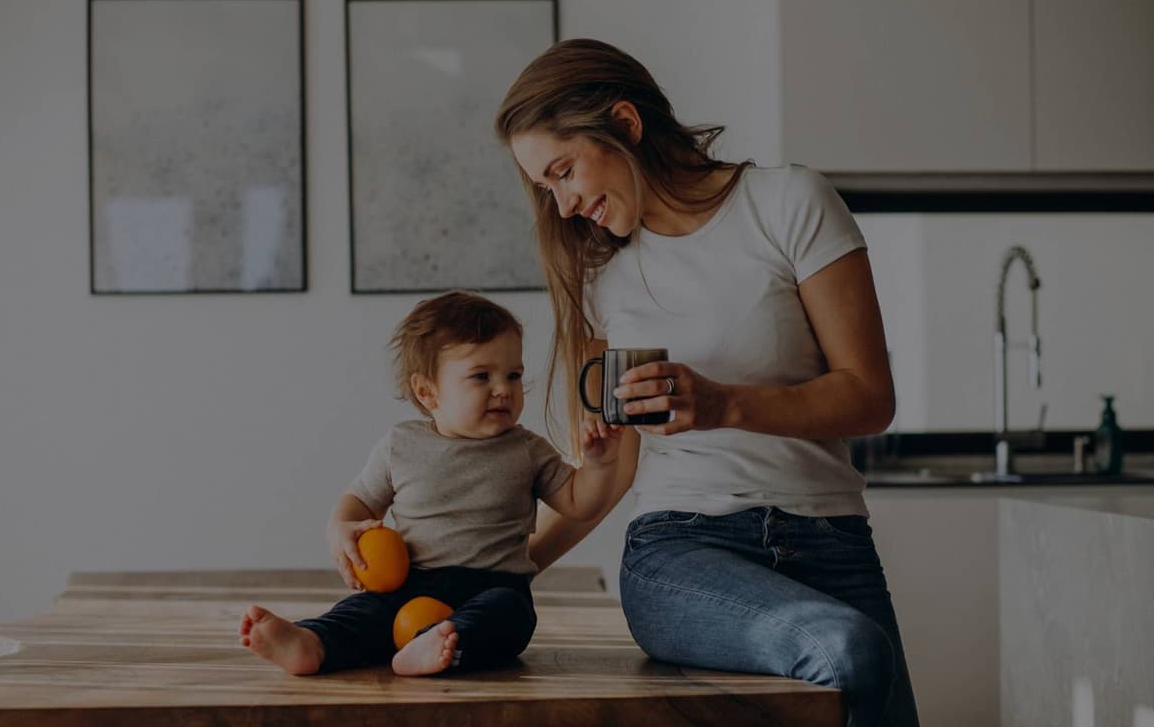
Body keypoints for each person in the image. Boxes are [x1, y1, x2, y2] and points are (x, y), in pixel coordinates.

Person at [495, 39, 920, 726]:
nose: (565, 204)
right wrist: (504, 569)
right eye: (547, 187)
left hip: (831, 540)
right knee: (849, 650)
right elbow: (611, 473)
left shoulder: (787, 203)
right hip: (682, 550)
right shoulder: (607, 277)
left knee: (862, 666)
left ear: (626, 125)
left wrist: (723, 404)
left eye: (564, 170)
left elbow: (869, 397)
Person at [238, 291, 622, 677]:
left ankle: (436, 644)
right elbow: (359, 502)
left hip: (493, 585)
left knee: (511, 615)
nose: (503, 388)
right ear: (427, 391)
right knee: (363, 611)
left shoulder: (527, 450)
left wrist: (600, 463)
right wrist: (340, 530)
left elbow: (580, 502)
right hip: (409, 585)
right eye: (481, 376)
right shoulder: (401, 446)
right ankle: (311, 643)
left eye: (514, 375)